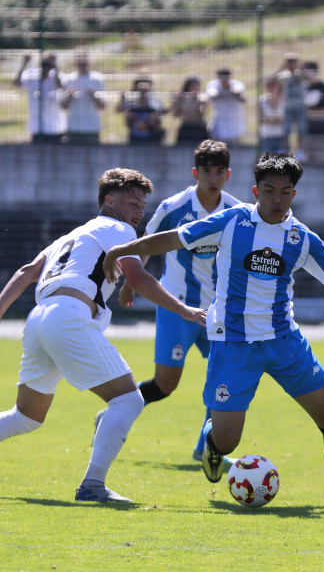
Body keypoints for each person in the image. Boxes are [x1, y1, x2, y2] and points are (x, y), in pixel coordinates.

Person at [102, 152, 324, 504]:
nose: (276, 199)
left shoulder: (302, 239)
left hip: (285, 342)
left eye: (284, 192)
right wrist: (124, 250)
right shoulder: (231, 222)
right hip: (233, 344)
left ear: (293, 196)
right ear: (256, 190)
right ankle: (212, 445)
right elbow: (172, 239)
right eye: (269, 191)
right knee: (228, 441)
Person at [0, 168, 206, 503]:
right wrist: (185, 311)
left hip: (39, 319)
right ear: (109, 200)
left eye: (142, 204)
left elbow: (28, 272)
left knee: (25, 417)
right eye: (132, 202)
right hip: (68, 318)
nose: (139, 211)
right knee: (128, 400)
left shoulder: (70, 237)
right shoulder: (117, 228)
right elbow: (138, 277)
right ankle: (92, 486)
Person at [100, 140, 242, 461]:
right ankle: (114, 414)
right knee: (165, 385)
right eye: (207, 171)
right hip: (176, 307)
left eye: (219, 172)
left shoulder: (237, 212)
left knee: (224, 378)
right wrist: (129, 285)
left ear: (228, 175)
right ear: (195, 173)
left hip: (217, 312)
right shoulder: (173, 208)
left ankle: (207, 447)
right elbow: (145, 245)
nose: (213, 178)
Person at [13, 53, 66, 144]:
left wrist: (55, 66)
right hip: (37, 126)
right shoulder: (31, 75)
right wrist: (24, 64)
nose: (46, 68)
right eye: (44, 64)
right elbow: (16, 83)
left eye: (48, 65)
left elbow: (60, 86)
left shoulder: (57, 76)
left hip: (55, 126)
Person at [61, 49, 105, 145]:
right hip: (73, 127)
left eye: (83, 59)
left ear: (88, 60)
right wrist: (69, 95)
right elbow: (63, 106)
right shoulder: (68, 80)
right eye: (79, 59)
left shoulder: (98, 79)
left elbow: (102, 106)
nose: (81, 63)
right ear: (74, 61)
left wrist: (93, 95)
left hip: (92, 128)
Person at [303, 61, 324, 163]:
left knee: (323, 163)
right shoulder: (302, 88)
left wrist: (310, 113)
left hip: (323, 133)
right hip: (306, 134)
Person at [118, 76, 166, 145]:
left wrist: (150, 122)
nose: (142, 94)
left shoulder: (155, 105)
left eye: (145, 92)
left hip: (152, 141)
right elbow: (125, 119)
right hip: (135, 139)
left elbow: (158, 122)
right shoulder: (132, 106)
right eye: (140, 91)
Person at [276, 53, 307, 156]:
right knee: (286, 130)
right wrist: (282, 67)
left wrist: (300, 67)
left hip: (300, 105)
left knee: (301, 130)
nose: (291, 64)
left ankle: (299, 151)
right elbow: (275, 79)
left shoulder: (301, 73)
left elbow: (306, 77)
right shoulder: (284, 75)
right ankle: (285, 150)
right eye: (289, 62)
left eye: (293, 61)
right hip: (288, 106)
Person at [206, 67, 247, 143]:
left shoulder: (237, 84)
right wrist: (223, 91)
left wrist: (230, 89)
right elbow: (212, 93)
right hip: (218, 126)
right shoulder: (213, 85)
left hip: (235, 126)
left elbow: (238, 91)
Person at [170, 76, 209, 146]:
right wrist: (176, 101)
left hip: (199, 129)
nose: (196, 88)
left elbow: (202, 111)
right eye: (194, 86)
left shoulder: (202, 97)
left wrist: (196, 100)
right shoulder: (182, 98)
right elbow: (175, 114)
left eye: (198, 86)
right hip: (186, 128)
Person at [258, 76, 285, 153]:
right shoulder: (262, 100)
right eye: (268, 86)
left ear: (279, 87)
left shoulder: (285, 100)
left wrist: (270, 119)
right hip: (266, 136)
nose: (271, 89)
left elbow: (286, 120)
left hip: (281, 137)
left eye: (273, 86)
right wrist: (278, 120)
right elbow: (262, 119)